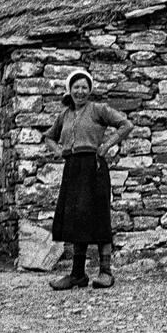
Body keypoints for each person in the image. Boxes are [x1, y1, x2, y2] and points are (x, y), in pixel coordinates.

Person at [42, 69, 134, 290]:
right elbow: (48, 137)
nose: (80, 91)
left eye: (84, 87)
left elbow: (126, 125)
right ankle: (77, 275)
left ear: (89, 90)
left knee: (99, 217)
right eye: (76, 87)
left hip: (94, 167)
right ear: (70, 90)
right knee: (75, 219)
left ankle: (105, 272)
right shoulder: (64, 115)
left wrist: (106, 145)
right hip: (73, 168)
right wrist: (58, 150)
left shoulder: (98, 110)